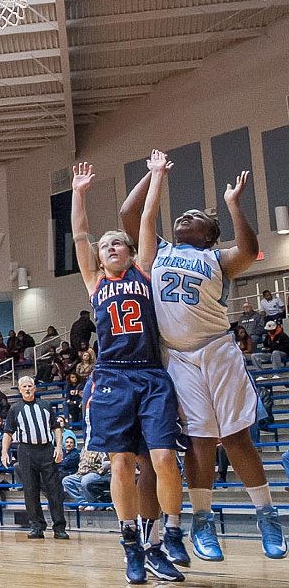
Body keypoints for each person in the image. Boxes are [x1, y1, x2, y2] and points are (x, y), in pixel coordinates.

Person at [123, 165, 287, 561]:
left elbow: (248, 250)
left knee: (236, 438)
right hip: (177, 357)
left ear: (209, 233)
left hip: (217, 351)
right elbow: (130, 214)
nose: (183, 217)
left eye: (194, 217)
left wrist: (233, 205)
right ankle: (202, 522)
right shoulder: (159, 249)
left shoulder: (217, 258)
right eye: (182, 216)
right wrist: (151, 174)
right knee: (199, 442)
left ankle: (267, 517)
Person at [74, 154, 187, 582]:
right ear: (99, 258)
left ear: (129, 250)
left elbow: (148, 217)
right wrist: (78, 194)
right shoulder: (94, 281)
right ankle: (131, 545)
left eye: (118, 242)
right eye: (106, 246)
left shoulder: (143, 269)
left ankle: (163, 537)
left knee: (161, 458)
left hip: (151, 373)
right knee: (121, 462)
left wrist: (156, 175)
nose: (112, 247)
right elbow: (80, 233)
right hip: (112, 377)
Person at [1, 376, 68, 540]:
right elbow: (8, 432)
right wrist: (4, 452)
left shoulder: (45, 405)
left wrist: (59, 447)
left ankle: (59, 528)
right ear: (20, 389)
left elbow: (56, 428)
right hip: (26, 451)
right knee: (30, 491)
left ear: (35, 388)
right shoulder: (15, 409)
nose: (27, 388)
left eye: (30, 385)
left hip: (46, 450)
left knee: (54, 491)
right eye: (24, 386)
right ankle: (37, 527)